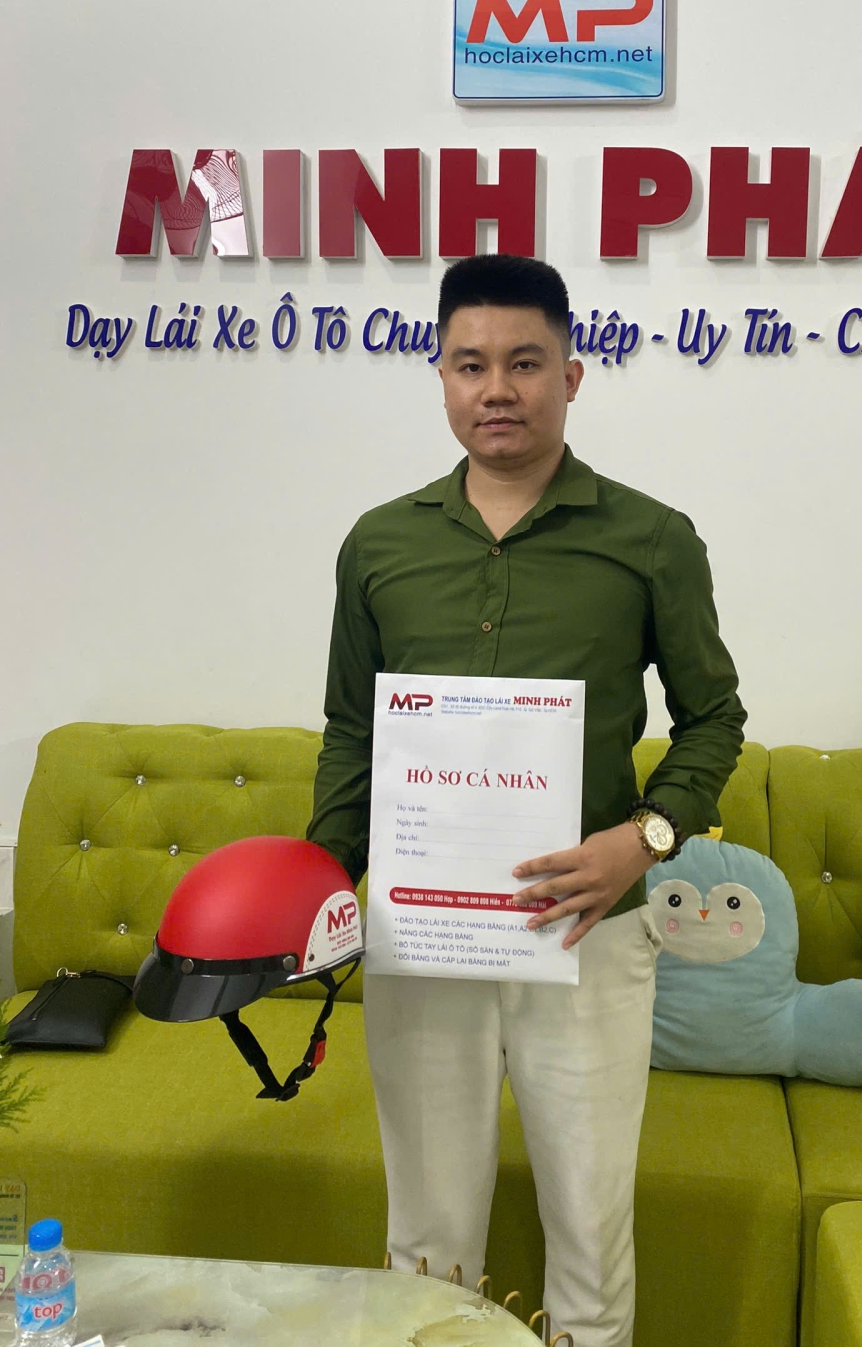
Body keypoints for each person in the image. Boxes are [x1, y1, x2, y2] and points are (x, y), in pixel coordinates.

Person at [308, 254, 745, 1347]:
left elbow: (714, 720)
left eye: (524, 362)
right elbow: (352, 732)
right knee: (427, 1233)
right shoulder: (380, 543)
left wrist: (643, 839)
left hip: (588, 928)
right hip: (424, 934)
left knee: (588, 1231)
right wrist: (319, 884)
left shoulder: (651, 539)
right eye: (470, 364)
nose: (496, 388)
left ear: (572, 375)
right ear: (441, 377)